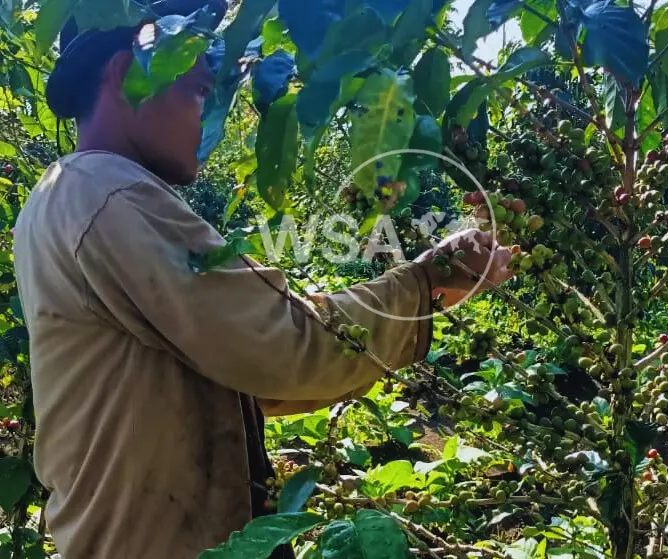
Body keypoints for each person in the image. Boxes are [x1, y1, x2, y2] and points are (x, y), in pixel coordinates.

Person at [12, 0, 513, 557]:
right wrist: (422, 286)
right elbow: (281, 345)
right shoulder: (107, 194)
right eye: (199, 90)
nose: (206, 115)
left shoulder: (73, 194)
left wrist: (426, 289)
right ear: (128, 73)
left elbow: (238, 364)